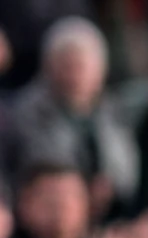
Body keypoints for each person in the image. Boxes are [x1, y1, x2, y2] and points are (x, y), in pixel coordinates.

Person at [6, 23, 137, 217]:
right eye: (68, 65)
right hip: (49, 218)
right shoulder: (23, 115)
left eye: (82, 66)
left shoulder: (113, 111)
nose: (75, 75)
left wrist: (112, 185)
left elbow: (127, 170)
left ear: (100, 70)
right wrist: (81, 193)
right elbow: (37, 168)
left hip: (112, 212)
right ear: (49, 67)